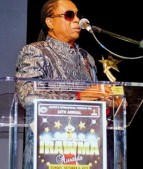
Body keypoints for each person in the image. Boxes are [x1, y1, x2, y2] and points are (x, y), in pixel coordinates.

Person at [15, 0, 121, 168]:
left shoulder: (86, 57)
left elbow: (95, 102)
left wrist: (112, 103)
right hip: (49, 152)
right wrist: (77, 98)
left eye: (78, 15)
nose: (77, 20)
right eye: (70, 15)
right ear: (50, 22)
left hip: (89, 153)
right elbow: (27, 97)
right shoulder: (35, 51)